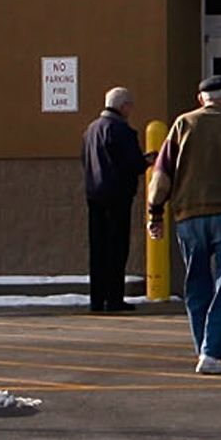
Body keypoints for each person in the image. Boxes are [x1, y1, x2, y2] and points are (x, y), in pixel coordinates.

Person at [149, 73, 221, 373]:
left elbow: (161, 176)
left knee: (196, 283)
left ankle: (203, 346)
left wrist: (155, 213)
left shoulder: (181, 124)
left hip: (189, 215)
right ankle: (212, 352)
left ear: (201, 99)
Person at [80, 85, 144, 313]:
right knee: (117, 249)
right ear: (123, 106)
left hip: (94, 195)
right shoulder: (121, 130)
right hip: (117, 196)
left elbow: (85, 160)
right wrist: (148, 160)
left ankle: (97, 299)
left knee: (98, 250)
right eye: (130, 106)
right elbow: (133, 163)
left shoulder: (91, 130)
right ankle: (114, 299)